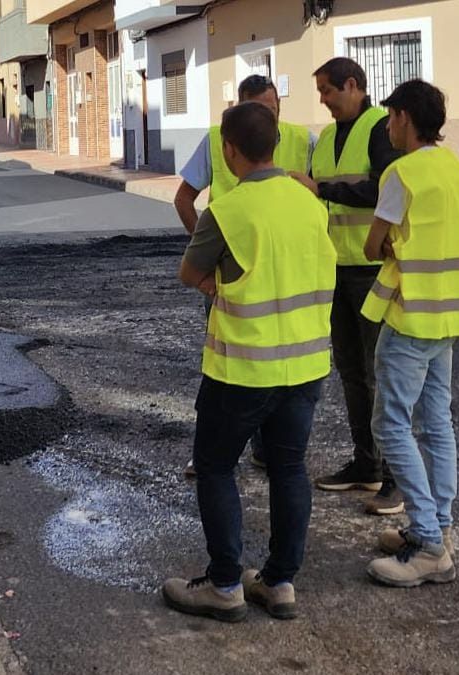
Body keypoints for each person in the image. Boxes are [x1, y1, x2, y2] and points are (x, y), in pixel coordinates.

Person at [161, 101, 336, 623]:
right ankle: (280, 583)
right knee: (288, 468)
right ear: (276, 145)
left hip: (242, 369)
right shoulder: (309, 203)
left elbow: (190, 273)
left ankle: (224, 585)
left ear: (230, 150)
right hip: (305, 365)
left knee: (215, 467)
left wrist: (223, 289)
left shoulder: (228, 211)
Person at [360, 79, 459, 587]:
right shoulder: (454, 169)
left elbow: (372, 244)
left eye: (391, 117)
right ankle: (438, 530)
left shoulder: (401, 173)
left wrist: (387, 247)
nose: (388, 126)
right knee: (437, 424)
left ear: (405, 117)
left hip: (409, 319)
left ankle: (429, 545)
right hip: (447, 317)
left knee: (390, 427)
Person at [173, 75, 316, 477]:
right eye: (258, 108)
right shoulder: (217, 140)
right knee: (227, 368)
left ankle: (265, 449)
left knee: (279, 370)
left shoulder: (301, 140)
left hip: (287, 278)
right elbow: (184, 198)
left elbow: (320, 196)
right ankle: (225, 448)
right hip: (233, 277)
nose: (267, 116)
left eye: (272, 108)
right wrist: (209, 251)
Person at [291, 57, 404, 516]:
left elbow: (385, 191)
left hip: (371, 269)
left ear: (352, 85)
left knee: (382, 375)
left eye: (327, 90)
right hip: (336, 268)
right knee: (352, 373)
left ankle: (396, 478)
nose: (322, 99)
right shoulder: (329, 137)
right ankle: (366, 463)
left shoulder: (380, 128)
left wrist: (321, 190)